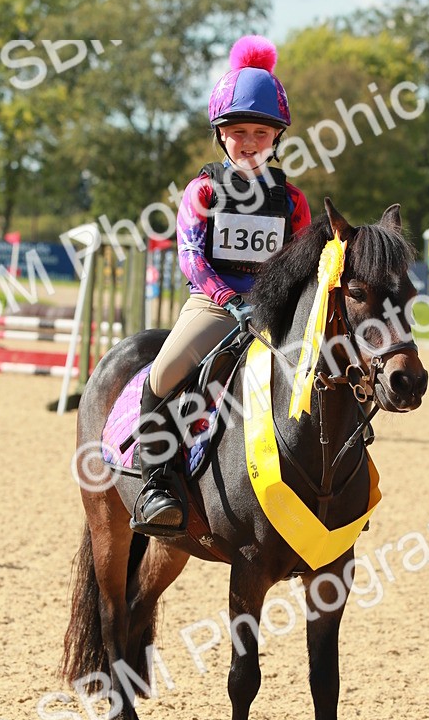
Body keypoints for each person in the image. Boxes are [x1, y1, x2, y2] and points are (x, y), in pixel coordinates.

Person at [131, 35, 312, 536]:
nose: (250, 142)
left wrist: (283, 304)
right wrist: (230, 300)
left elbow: (302, 262)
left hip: (275, 310)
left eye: (261, 132)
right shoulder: (204, 191)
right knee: (163, 374)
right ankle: (156, 484)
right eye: (238, 132)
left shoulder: (292, 200)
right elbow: (191, 256)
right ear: (221, 135)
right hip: (215, 306)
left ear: (276, 137)